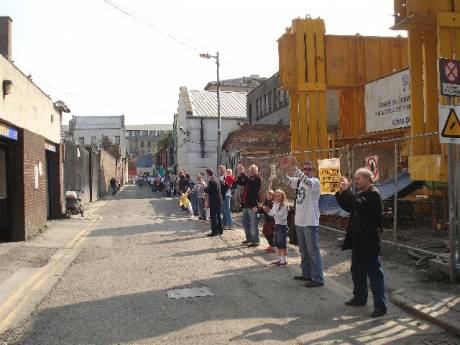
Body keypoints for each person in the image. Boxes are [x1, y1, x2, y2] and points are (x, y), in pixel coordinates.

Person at [335, 169, 387, 318]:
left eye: (358, 179)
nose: (355, 181)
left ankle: (380, 306)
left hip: (369, 242)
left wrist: (347, 192)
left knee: (375, 275)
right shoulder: (361, 194)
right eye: (355, 179)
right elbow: (350, 207)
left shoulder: (374, 194)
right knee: (357, 272)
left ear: (367, 179)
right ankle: (360, 297)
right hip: (358, 241)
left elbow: (359, 206)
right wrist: (340, 194)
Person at [281, 157, 324, 288]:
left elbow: (307, 180)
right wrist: (284, 169)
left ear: (314, 171)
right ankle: (306, 274)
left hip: (310, 222)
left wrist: (294, 167)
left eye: (309, 169)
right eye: (304, 169)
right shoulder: (300, 181)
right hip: (299, 221)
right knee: (303, 251)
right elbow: (285, 180)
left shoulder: (315, 182)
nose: (306, 171)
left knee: (313, 251)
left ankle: (318, 278)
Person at [236, 164, 262, 247]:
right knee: (245, 222)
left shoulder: (257, 179)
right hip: (246, 205)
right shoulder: (250, 179)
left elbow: (250, 183)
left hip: (253, 205)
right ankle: (249, 238)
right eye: (250, 170)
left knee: (253, 223)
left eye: (253, 170)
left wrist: (243, 173)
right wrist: (240, 174)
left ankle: (255, 240)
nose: (251, 172)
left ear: (256, 171)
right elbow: (239, 182)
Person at [264, 189, 289, 266]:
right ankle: (279, 259)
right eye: (276, 196)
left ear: (282, 196)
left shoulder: (284, 205)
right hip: (277, 225)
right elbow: (272, 214)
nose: (277, 197)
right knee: (277, 243)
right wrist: (267, 211)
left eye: (279, 196)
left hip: (282, 226)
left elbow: (280, 216)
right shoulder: (275, 204)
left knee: (282, 243)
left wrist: (269, 211)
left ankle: (284, 260)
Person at [204, 168, 223, 237]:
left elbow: (209, 190)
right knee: (218, 216)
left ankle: (214, 231)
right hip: (218, 200)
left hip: (214, 201)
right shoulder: (217, 179)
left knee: (213, 217)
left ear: (208, 174)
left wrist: (204, 187)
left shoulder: (211, 181)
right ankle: (220, 230)